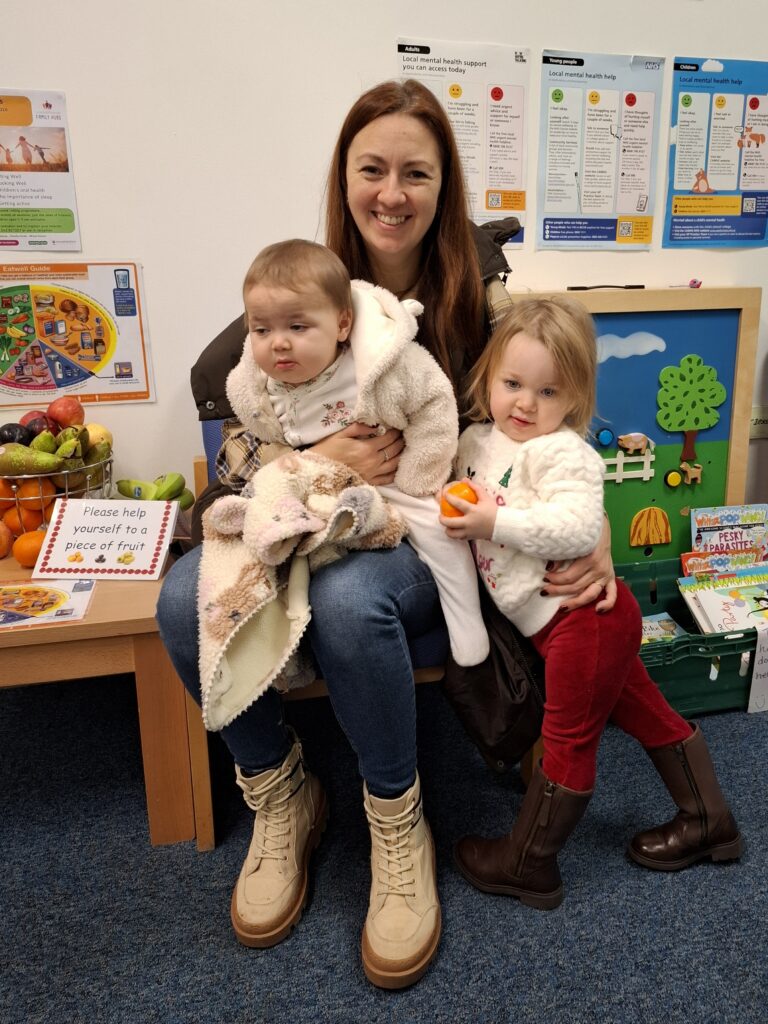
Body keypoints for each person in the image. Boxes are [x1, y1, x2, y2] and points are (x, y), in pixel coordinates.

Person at [157, 79, 616, 990]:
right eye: (373, 169)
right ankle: (282, 789)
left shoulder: (479, 300)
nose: (392, 192)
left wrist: (587, 530)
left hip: (439, 535)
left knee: (349, 596)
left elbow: (555, 410)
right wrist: (319, 455)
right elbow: (238, 421)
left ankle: (396, 816)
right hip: (308, 507)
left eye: (417, 172)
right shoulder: (305, 284)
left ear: (445, 187)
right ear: (346, 177)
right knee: (179, 598)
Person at [443, 297, 742, 910]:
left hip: (582, 621)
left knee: (569, 737)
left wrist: (492, 520)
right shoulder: (478, 439)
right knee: (646, 713)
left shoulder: (563, 452)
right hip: (573, 623)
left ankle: (530, 863)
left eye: (548, 392)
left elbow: (578, 527)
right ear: (489, 377)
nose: (526, 404)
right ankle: (709, 821)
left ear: (574, 398)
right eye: (513, 384)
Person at [220, 238, 488, 671]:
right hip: (313, 496)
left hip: (393, 485)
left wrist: (419, 476)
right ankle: (278, 651)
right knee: (266, 550)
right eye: (262, 330)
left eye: (297, 327)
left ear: (342, 325)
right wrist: (303, 464)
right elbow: (252, 442)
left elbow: (435, 401)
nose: (278, 344)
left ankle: (467, 625)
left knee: (442, 533)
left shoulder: (376, 365)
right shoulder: (257, 386)